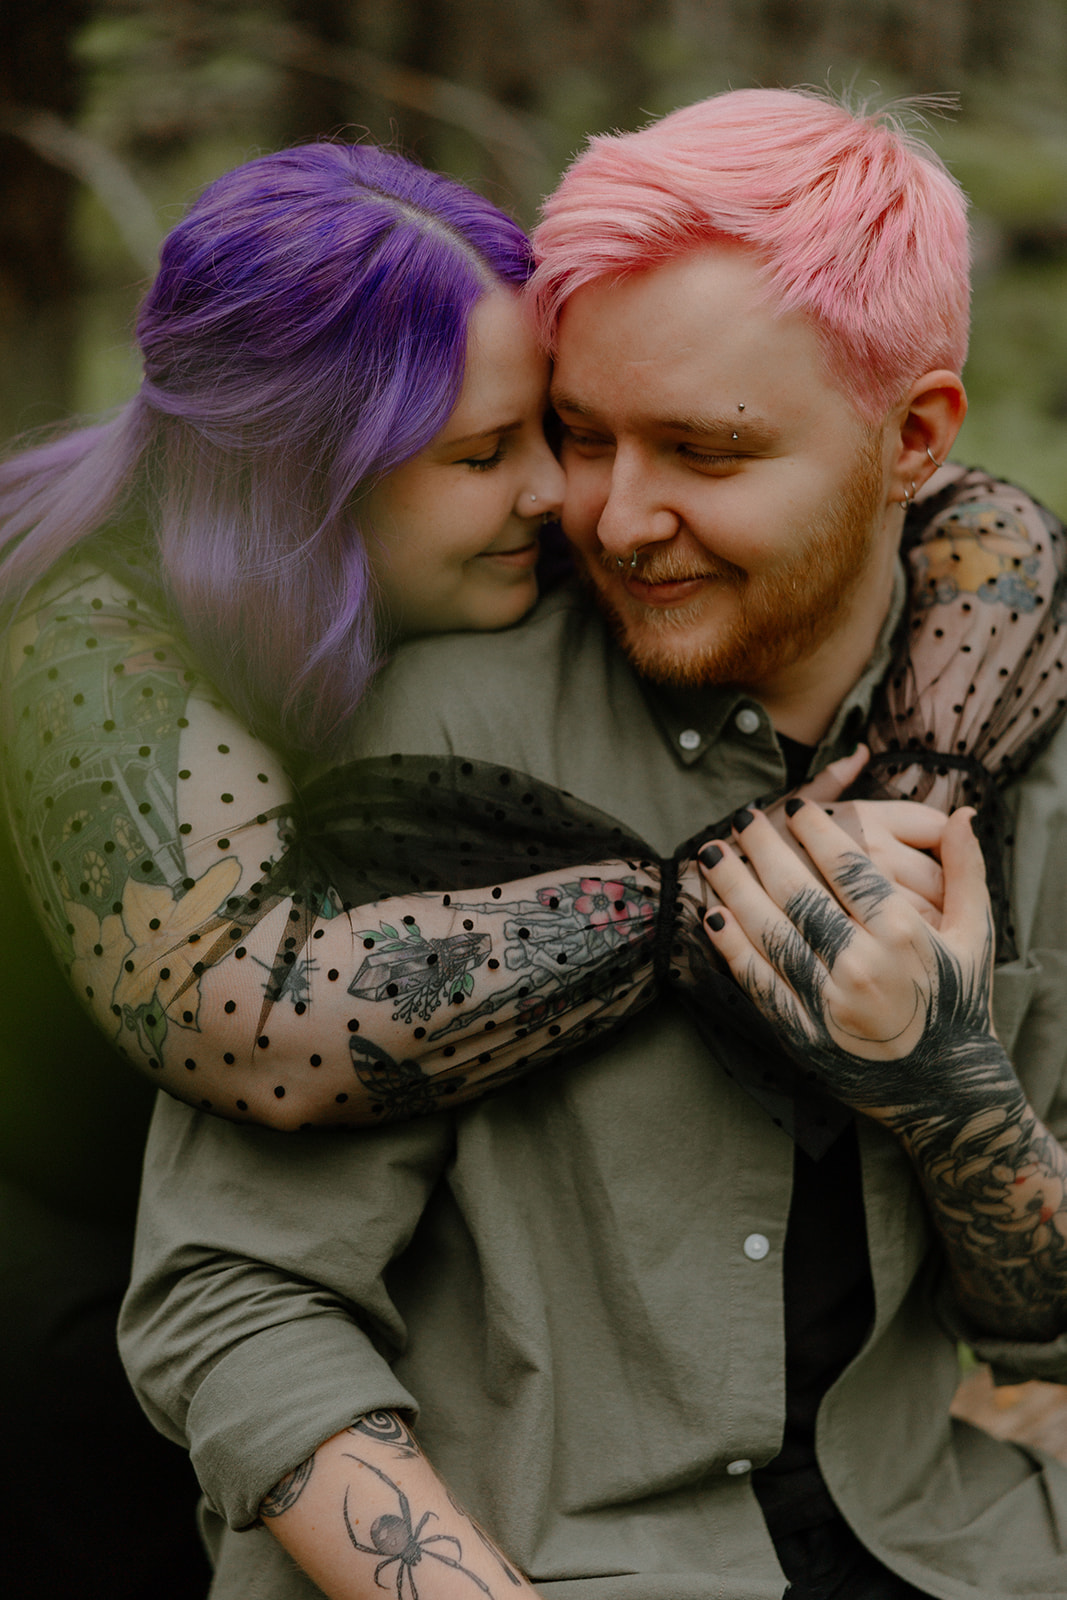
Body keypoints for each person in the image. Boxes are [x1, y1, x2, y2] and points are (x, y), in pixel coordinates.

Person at [116, 91, 1067, 1600]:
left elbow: (1043, 1330)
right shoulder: (442, 720)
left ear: (918, 438)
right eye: (578, 431)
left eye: (704, 450)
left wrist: (949, 1085)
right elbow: (231, 1304)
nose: (609, 518)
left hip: (941, 1549)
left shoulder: (1025, 736)